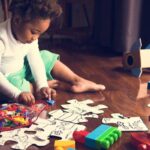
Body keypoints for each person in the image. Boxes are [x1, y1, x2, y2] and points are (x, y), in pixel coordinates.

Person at [0, 0, 105, 105]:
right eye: (34, 32)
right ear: (17, 20)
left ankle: (76, 80)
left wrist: (42, 85)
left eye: (40, 34)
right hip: (6, 78)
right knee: (15, 87)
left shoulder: (29, 36)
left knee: (45, 56)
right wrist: (17, 94)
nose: (36, 38)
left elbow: (35, 60)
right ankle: (48, 86)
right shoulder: (1, 39)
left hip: (22, 69)